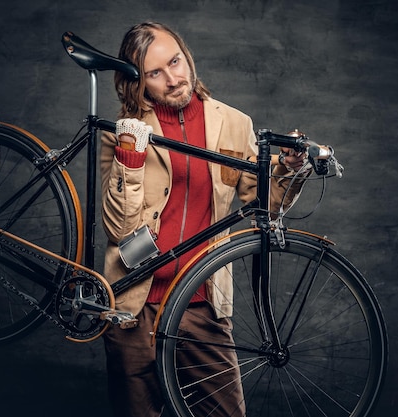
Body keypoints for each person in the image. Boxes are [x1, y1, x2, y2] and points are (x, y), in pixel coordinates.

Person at [100, 22, 309, 417]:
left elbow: (266, 204)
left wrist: (290, 169)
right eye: (155, 73)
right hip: (133, 304)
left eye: (175, 62)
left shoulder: (234, 123)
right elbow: (120, 229)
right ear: (138, 82)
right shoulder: (124, 131)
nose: (174, 79)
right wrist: (130, 158)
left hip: (202, 303)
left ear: (186, 56)